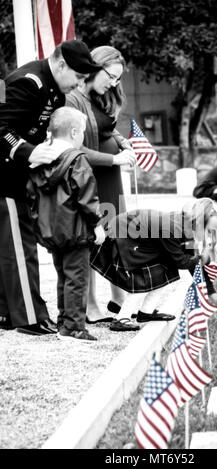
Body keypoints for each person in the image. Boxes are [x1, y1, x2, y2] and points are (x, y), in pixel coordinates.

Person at [0, 39, 104, 335]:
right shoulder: (27, 81)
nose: (80, 83)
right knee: (21, 250)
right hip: (5, 177)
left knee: (11, 249)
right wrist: (26, 151)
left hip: (19, 178)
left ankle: (7, 313)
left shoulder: (56, 90)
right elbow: (1, 127)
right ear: (60, 65)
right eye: (79, 76)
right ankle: (30, 318)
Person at [66, 46, 136, 324]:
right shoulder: (73, 99)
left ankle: (118, 298)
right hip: (90, 177)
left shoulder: (102, 95)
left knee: (116, 235)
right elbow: (75, 146)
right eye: (112, 76)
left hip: (110, 176)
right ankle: (90, 305)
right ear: (96, 67)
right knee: (93, 239)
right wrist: (115, 158)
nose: (114, 83)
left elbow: (107, 126)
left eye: (119, 79)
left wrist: (121, 140)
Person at [27, 107, 106, 342]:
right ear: (74, 132)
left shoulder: (39, 159)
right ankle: (74, 328)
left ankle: (64, 321)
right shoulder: (76, 159)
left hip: (52, 230)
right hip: (76, 229)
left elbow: (31, 196)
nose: (82, 136)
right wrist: (97, 225)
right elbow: (87, 197)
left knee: (64, 276)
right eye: (81, 132)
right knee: (78, 277)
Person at [91, 198, 217, 331]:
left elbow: (193, 264)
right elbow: (182, 262)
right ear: (199, 221)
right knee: (144, 277)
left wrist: (212, 293)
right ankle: (121, 318)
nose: (210, 235)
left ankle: (146, 312)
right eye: (209, 230)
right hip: (121, 236)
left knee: (165, 268)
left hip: (138, 239)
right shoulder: (173, 228)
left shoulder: (187, 227)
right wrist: (204, 259)